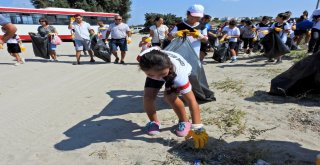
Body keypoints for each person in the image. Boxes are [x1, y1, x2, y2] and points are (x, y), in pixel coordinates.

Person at [138, 48, 208, 149]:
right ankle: (154, 122)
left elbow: (192, 101)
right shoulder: (143, 58)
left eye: (161, 75)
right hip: (159, 67)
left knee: (170, 97)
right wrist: (155, 75)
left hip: (173, 73)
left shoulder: (180, 76)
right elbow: (156, 48)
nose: (158, 78)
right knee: (148, 97)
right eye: (150, 74)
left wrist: (197, 127)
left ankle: (184, 121)